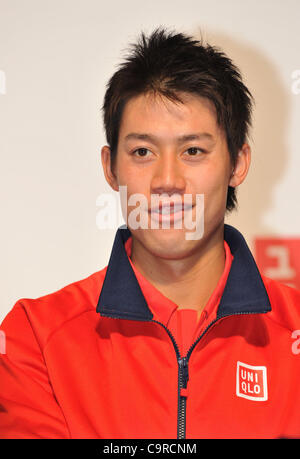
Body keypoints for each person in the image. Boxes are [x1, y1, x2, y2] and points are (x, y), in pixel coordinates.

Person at [0, 27, 300, 440]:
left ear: (237, 164)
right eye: (143, 151)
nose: (167, 180)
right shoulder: (34, 336)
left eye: (193, 151)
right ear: (111, 167)